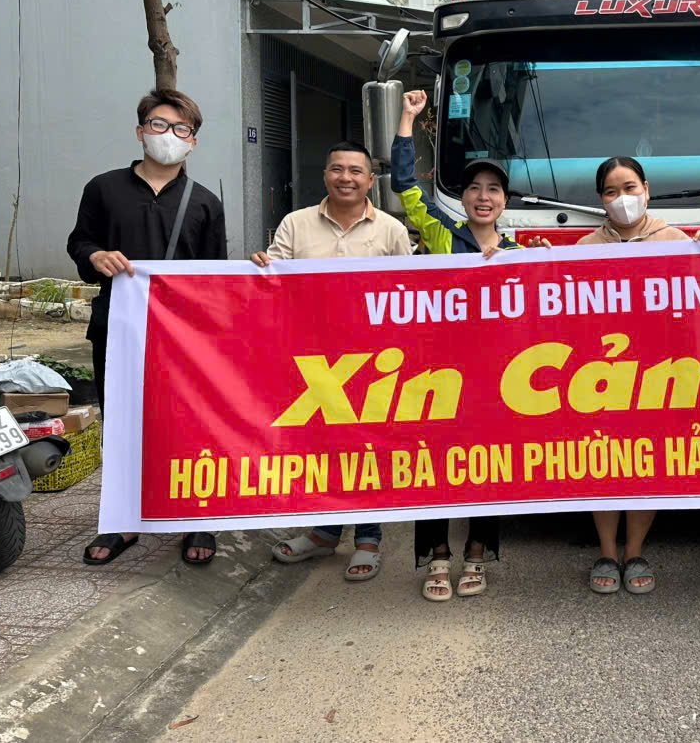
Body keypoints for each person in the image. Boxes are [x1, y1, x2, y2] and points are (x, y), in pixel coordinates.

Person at [394, 89, 549, 600]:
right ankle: (438, 556)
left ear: (505, 202)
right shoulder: (443, 233)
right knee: (435, 465)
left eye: (494, 190)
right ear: (463, 198)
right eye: (475, 188)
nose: (484, 197)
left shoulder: (520, 251)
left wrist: (543, 262)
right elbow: (404, 186)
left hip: (498, 379)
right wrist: (407, 119)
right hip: (439, 375)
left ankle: (477, 554)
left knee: (490, 466)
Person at [68, 89, 227, 566]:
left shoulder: (205, 202)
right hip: (117, 328)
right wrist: (95, 256)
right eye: (159, 125)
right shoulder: (103, 188)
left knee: (190, 421)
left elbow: (215, 275)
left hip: (184, 337)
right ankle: (124, 518)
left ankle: (197, 515)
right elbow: (80, 241)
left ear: (193, 141)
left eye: (181, 129)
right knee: (122, 421)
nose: (168, 136)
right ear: (141, 131)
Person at [256, 140, 412, 582]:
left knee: (367, 448)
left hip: (373, 361)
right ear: (325, 175)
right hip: (311, 358)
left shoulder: (391, 230)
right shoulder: (295, 224)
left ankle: (368, 538)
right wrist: (261, 266)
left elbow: (410, 292)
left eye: (356, 171)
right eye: (337, 169)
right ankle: (324, 533)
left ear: (370, 180)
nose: (346, 178)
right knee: (321, 447)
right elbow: (272, 282)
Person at [578, 156, 691, 595]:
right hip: (601, 375)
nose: (622, 198)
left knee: (647, 463)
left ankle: (635, 551)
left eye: (629, 188)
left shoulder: (676, 240)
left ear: (647, 189)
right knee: (604, 463)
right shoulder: (585, 247)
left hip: (657, 374)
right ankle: (607, 551)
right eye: (611, 192)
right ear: (601, 199)